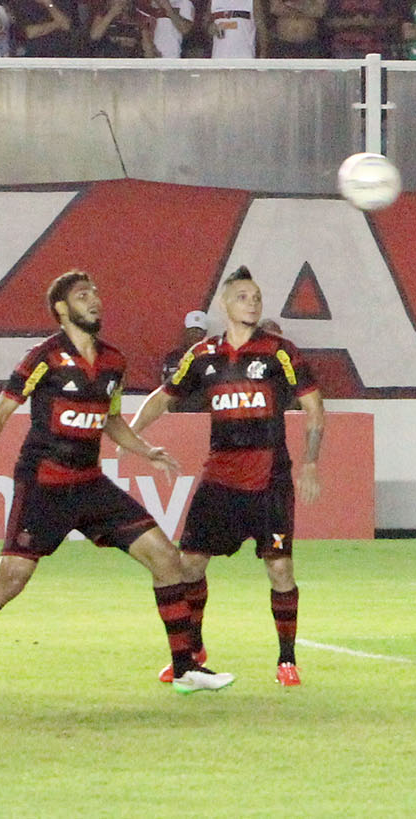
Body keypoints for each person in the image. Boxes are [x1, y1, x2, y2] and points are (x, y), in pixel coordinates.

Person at [0, 272, 233, 694]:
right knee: (11, 579)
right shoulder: (43, 358)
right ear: (61, 310)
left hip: (89, 484)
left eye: (96, 292)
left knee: (166, 558)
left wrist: (146, 450)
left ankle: (184, 668)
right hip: (44, 485)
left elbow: (111, 421)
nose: (94, 300)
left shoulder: (113, 362)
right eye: (82, 295)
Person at [129, 267, 323, 687]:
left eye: (256, 296)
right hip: (220, 477)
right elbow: (164, 397)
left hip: (269, 478)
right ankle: (193, 652)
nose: (252, 302)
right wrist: (129, 435)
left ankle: (286, 659)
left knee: (280, 570)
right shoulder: (203, 356)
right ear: (225, 304)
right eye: (242, 296)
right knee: (189, 565)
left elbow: (313, 408)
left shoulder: (280, 352)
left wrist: (310, 461)